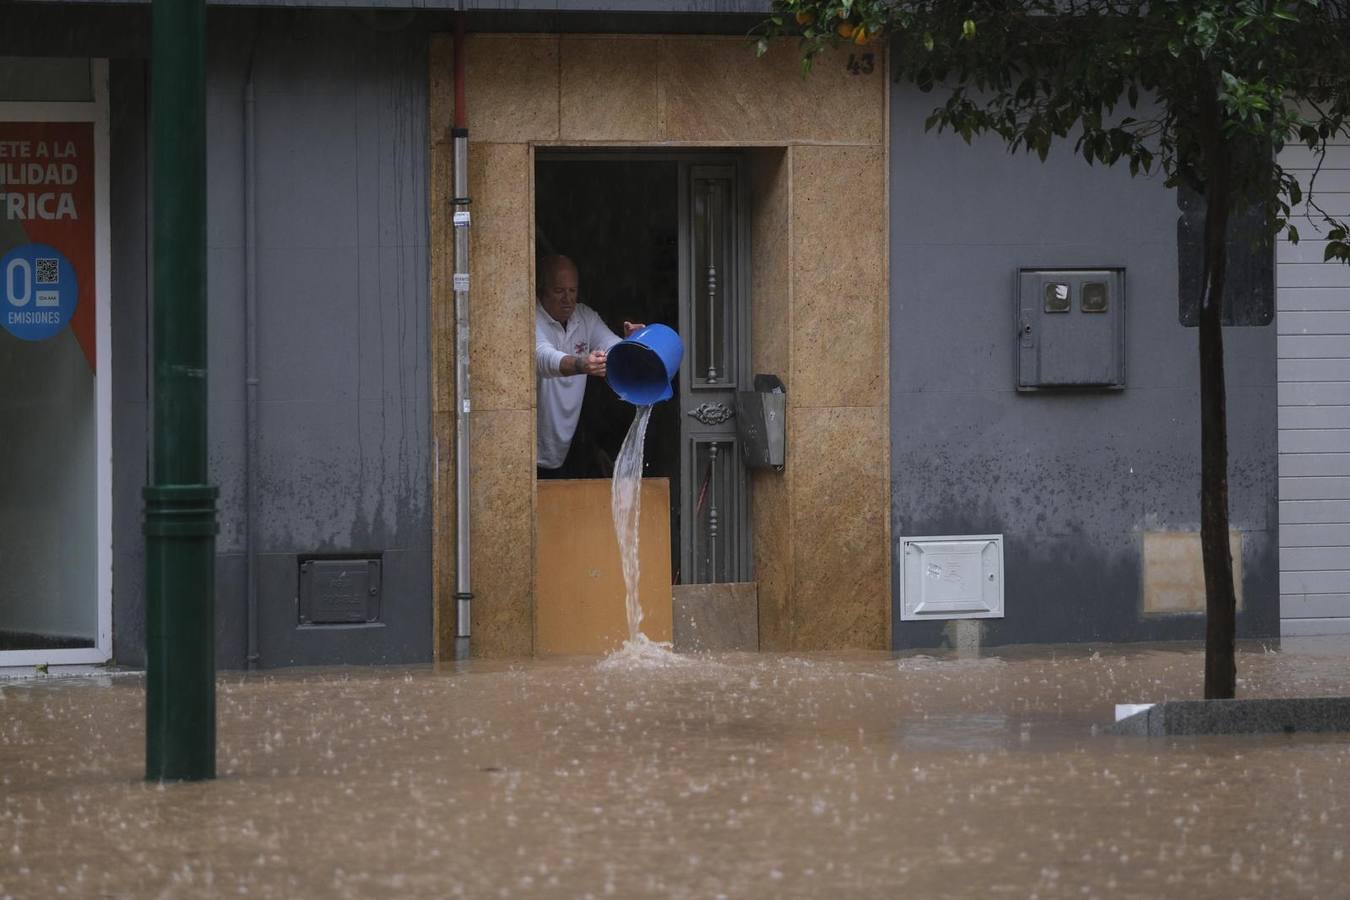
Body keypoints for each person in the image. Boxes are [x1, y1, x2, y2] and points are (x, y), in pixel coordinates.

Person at [534, 254, 643, 478]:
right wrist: (580, 364)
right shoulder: (530, 317)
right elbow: (543, 358)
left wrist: (631, 345)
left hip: (570, 441)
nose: (568, 299)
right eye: (559, 291)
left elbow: (611, 346)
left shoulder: (584, 316)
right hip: (530, 449)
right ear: (542, 289)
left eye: (572, 291)